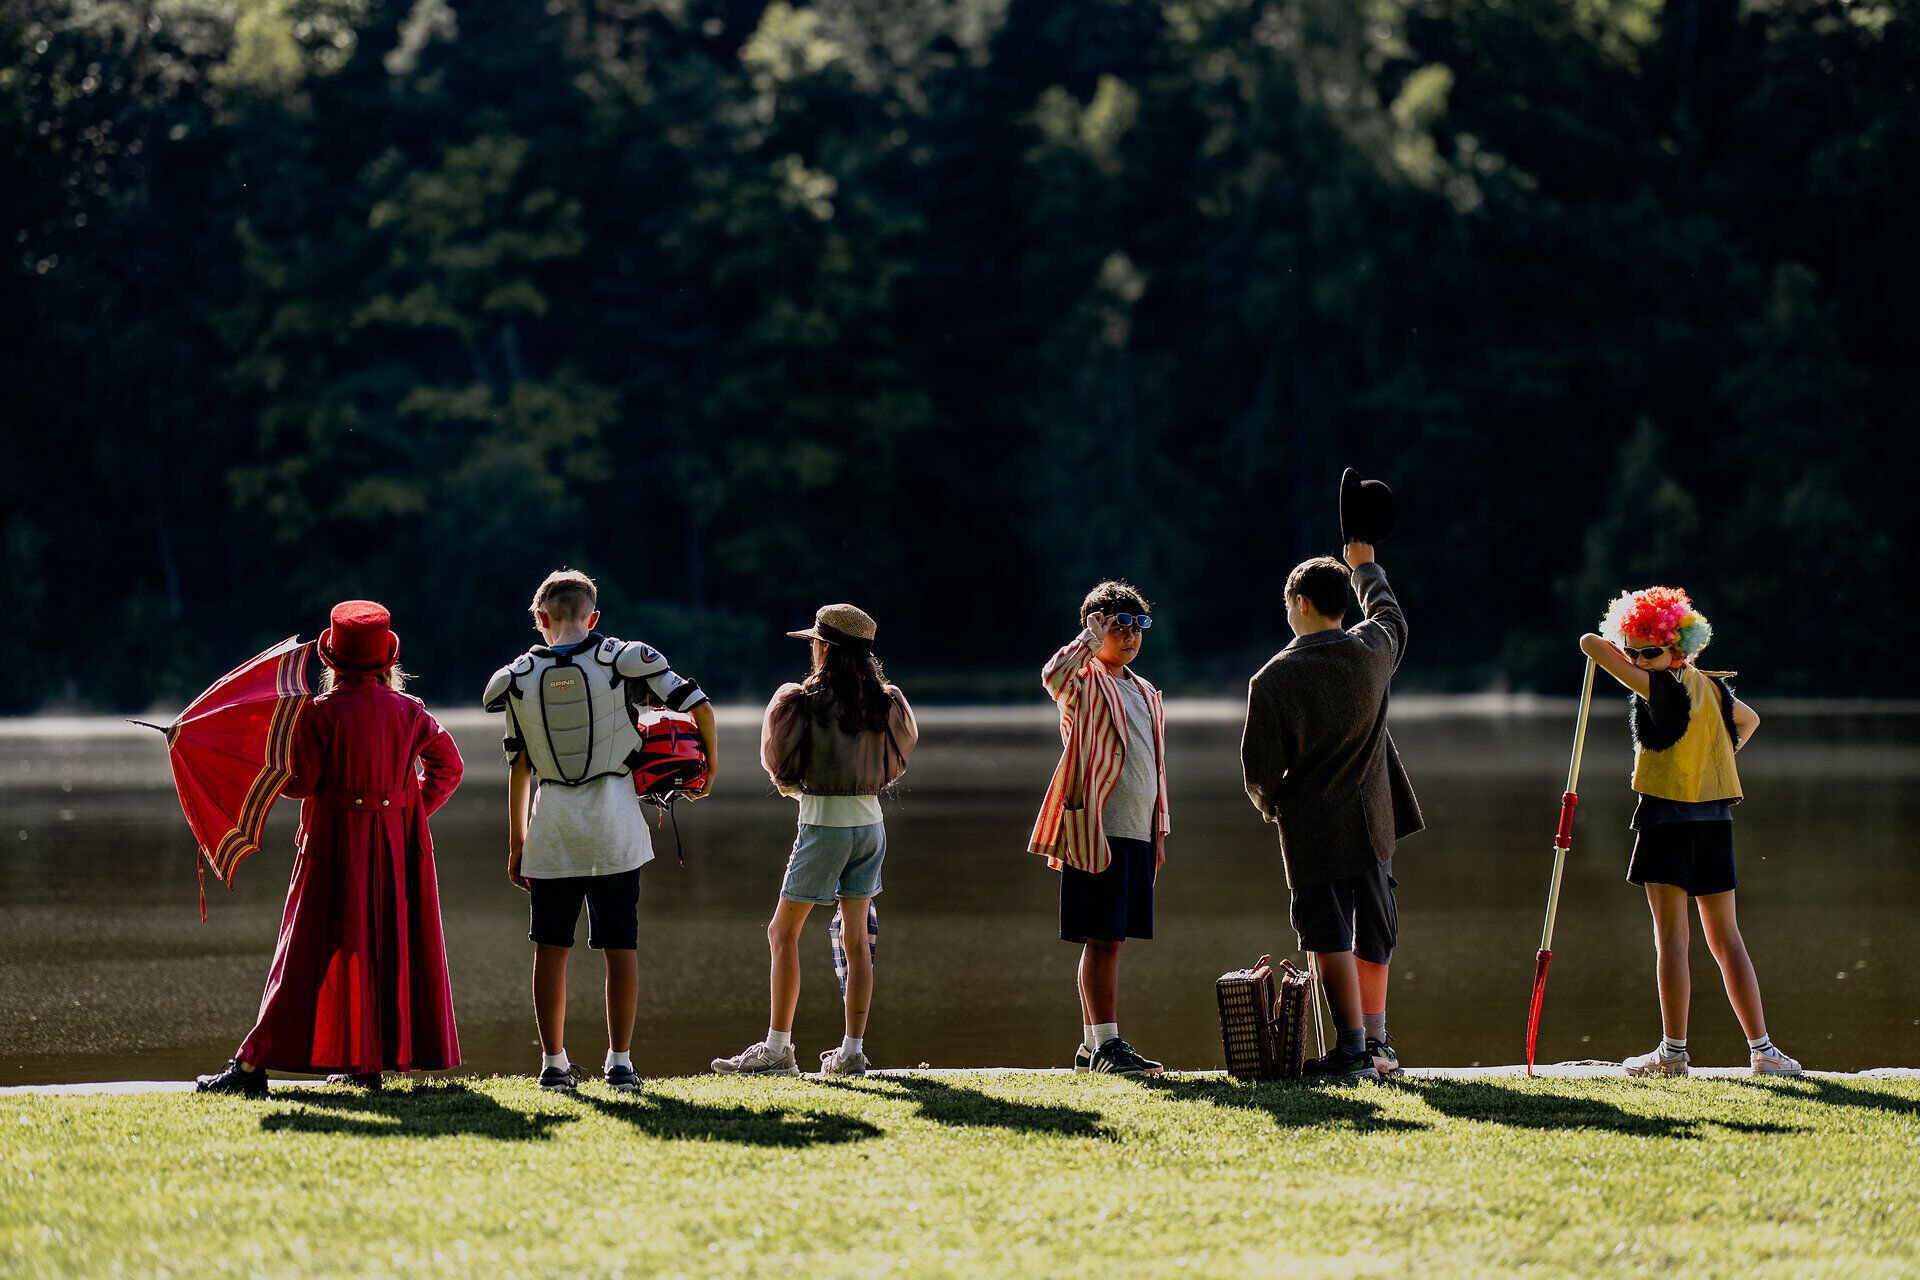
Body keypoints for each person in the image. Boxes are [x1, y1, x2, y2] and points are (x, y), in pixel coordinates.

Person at [197, 601, 464, 1095]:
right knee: (383, 947)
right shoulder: (411, 711)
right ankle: (366, 1065)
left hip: (332, 847)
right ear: (387, 661)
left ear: (332, 662)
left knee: (303, 954)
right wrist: (403, 815)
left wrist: (267, 757)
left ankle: (251, 1068)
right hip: (396, 851)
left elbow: (303, 784)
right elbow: (449, 768)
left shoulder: (318, 714)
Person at [484, 569, 717, 1091]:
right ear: (593, 618)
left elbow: (519, 767)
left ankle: (553, 1064)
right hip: (616, 825)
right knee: (621, 947)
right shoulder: (623, 657)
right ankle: (621, 1063)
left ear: (540, 619)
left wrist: (517, 843)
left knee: (550, 949)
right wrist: (711, 768)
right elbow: (698, 705)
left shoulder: (516, 678)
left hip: (552, 828)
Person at [1580, 586, 1800, 1076]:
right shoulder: (1713, 689)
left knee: (1673, 942)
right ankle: (1764, 1052)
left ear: (1676, 646)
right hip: (1714, 823)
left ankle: (1674, 1053)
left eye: (1649, 651)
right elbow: (1749, 721)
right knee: (1727, 939)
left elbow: (1590, 644)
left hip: (1666, 825)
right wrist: (1712, 758)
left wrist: (1622, 651)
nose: (1638, 660)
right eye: (1633, 650)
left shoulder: (1658, 686)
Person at [1241, 543, 1423, 1080]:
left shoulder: (1271, 679)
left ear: (1300, 602)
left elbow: (1258, 772)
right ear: (1342, 603)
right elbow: (1392, 616)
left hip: (1311, 828)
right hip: (1374, 820)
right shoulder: (1372, 650)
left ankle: (1350, 1050)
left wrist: (1276, 807)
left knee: (1327, 936)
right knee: (1375, 931)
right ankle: (1378, 1042)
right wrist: (1365, 565)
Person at [712, 604, 917, 1077]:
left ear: (824, 647)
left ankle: (778, 1049)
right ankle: (851, 1053)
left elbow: (779, 765)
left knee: (781, 933)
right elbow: (895, 759)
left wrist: (797, 788)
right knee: (856, 939)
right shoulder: (885, 702)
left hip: (824, 827)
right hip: (871, 827)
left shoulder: (802, 701)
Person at [1027, 581, 1169, 1077]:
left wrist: (1159, 832)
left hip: (1138, 830)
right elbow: (1052, 675)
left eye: (1137, 626)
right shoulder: (1083, 682)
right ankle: (1107, 1043)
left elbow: (1156, 768)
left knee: (1114, 938)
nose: (1129, 636)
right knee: (1101, 937)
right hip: (1096, 828)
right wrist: (1088, 639)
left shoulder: (1146, 691)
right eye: (1117, 626)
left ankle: (1093, 1048)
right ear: (1096, 628)